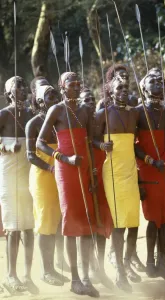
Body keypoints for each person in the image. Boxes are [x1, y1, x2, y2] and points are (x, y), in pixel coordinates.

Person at [37, 72, 99, 297]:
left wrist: (92, 173)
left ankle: (85, 278)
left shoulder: (85, 110)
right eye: (71, 83)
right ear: (62, 87)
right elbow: (40, 142)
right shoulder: (56, 110)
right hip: (65, 169)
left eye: (78, 82)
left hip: (83, 169)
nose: (76, 85)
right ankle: (74, 279)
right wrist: (63, 158)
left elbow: (90, 143)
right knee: (72, 223)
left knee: (86, 223)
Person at [94, 71, 141, 293]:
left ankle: (127, 261)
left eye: (126, 88)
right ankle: (120, 272)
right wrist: (100, 145)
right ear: (111, 92)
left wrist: (150, 160)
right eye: (119, 88)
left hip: (131, 171)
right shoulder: (103, 114)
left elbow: (136, 144)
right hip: (112, 172)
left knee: (133, 223)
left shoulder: (134, 114)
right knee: (119, 224)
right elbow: (90, 138)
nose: (123, 91)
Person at [135, 68, 165, 284]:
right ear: (144, 87)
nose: (159, 84)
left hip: (164, 171)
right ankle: (150, 261)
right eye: (153, 81)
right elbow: (133, 147)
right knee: (154, 219)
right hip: (148, 171)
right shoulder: (137, 112)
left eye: (161, 82)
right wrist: (149, 162)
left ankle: (163, 262)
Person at [26, 84, 69, 286]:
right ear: (40, 101)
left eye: (55, 92)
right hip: (43, 177)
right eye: (49, 94)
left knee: (59, 220)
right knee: (45, 222)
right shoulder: (33, 124)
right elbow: (30, 156)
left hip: (62, 174)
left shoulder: (61, 119)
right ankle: (46, 270)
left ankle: (56, 266)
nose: (54, 96)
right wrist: (50, 168)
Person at [0, 76, 38, 294]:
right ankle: (11, 276)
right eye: (18, 86)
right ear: (9, 93)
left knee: (29, 227)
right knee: (13, 228)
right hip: (9, 177)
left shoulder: (32, 115)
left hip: (28, 176)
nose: (23, 89)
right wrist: (6, 148)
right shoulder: (4, 115)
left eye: (25, 85)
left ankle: (27, 275)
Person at [79, 87, 114, 289]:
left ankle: (99, 267)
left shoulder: (100, 117)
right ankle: (87, 271)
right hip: (86, 172)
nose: (90, 102)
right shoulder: (78, 120)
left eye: (92, 98)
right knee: (87, 225)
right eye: (86, 99)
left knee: (102, 224)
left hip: (103, 172)